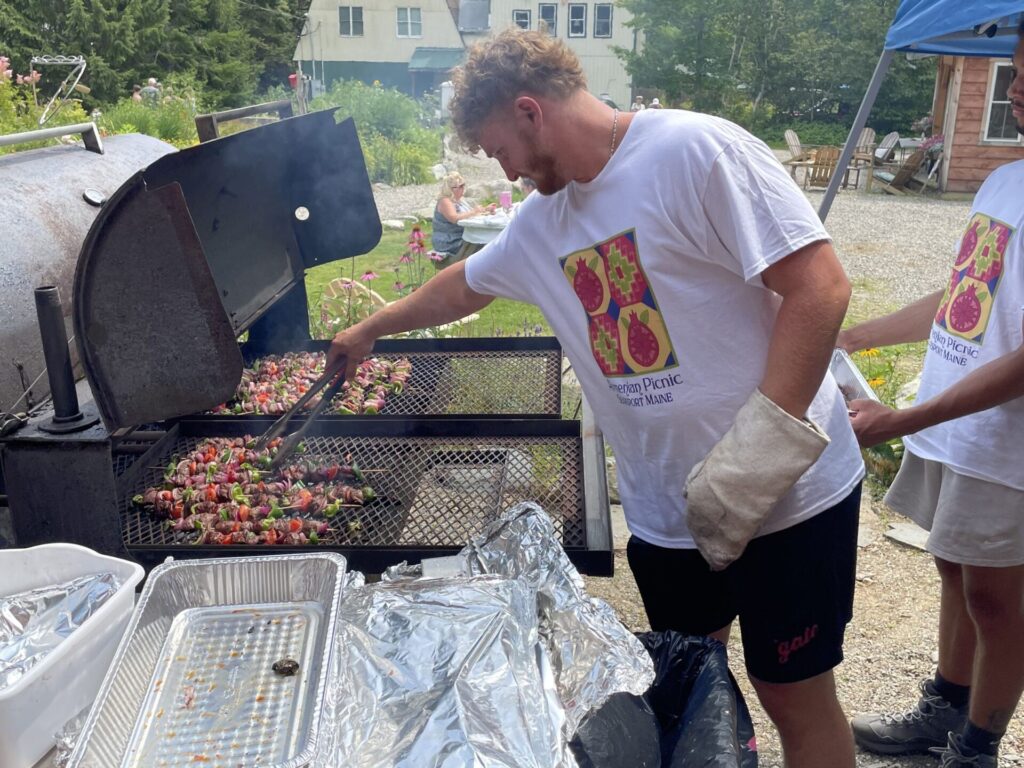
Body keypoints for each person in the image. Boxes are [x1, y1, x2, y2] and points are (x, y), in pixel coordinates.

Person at [328, 29, 863, 767]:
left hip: (788, 503)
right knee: (689, 688)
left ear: (528, 112)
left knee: (792, 696)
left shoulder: (694, 152)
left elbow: (821, 286)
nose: (506, 174)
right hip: (668, 515)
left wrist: (759, 453)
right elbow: (461, 285)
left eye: (498, 152)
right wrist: (371, 328)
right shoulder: (542, 225)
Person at [841, 26, 1024, 768]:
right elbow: (965, 294)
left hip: (1006, 444)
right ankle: (943, 710)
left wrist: (902, 416)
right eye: (1017, 71)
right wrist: (862, 337)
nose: (1017, 89)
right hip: (956, 425)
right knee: (953, 566)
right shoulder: (1003, 178)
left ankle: (976, 747)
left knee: (998, 600)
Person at [431, 171, 490, 261]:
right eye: (461, 186)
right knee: (484, 244)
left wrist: (485, 210)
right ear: (452, 189)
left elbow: (468, 215)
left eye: (464, 185)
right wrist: (474, 212)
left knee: (486, 240)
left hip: (461, 236)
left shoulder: (459, 200)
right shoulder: (445, 201)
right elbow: (454, 218)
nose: (463, 188)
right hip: (450, 241)